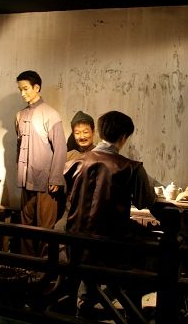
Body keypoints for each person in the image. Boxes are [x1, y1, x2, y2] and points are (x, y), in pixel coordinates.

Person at [64, 110, 175, 317]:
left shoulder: (75, 163)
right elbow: (147, 202)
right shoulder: (130, 167)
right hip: (111, 246)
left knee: (89, 273)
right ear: (124, 137)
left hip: (75, 242)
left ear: (99, 132)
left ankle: (86, 305)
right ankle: (132, 312)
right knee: (149, 256)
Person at [15, 70, 67, 256]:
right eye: (20, 89)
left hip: (46, 182)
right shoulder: (19, 115)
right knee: (25, 225)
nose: (23, 93)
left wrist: (56, 178)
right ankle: (26, 266)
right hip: (26, 180)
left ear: (36, 87)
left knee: (45, 227)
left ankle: (45, 268)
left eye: (26, 88)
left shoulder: (50, 114)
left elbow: (60, 148)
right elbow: (19, 146)